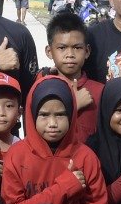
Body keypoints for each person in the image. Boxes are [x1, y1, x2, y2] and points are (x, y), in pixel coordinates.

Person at [1, 77, 107, 204]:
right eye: (44, 115)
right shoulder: (17, 155)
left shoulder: (86, 157)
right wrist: (64, 188)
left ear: (72, 114)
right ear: (32, 114)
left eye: (60, 115)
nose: (52, 123)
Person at [44, 10, 103, 144]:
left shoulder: (100, 92)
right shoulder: (41, 88)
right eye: (62, 48)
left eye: (77, 48)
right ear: (49, 51)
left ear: (87, 51)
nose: (70, 54)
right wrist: (74, 105)